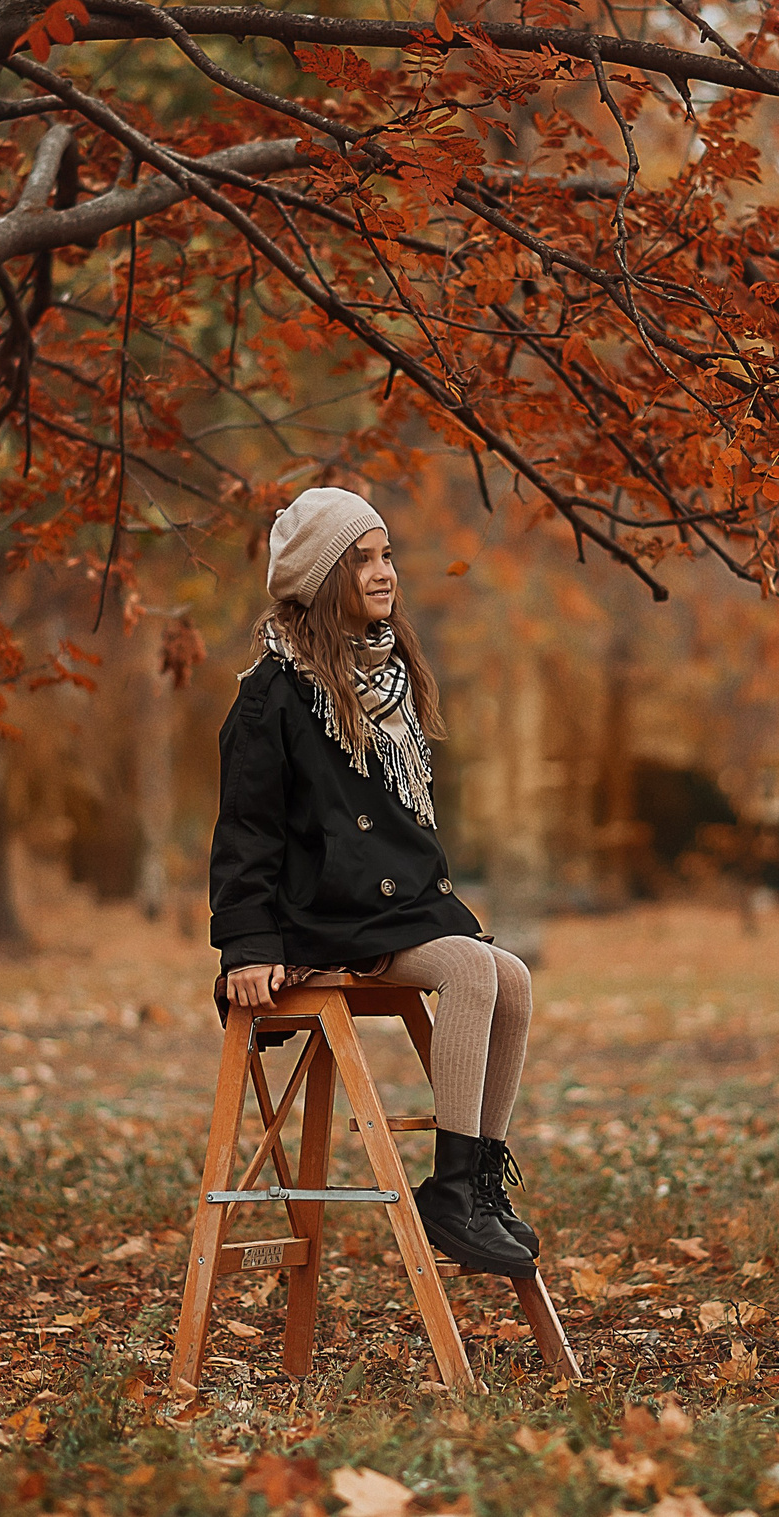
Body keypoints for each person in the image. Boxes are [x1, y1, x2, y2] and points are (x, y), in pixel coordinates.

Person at [208, 488, 539, 1277]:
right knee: (466, 969)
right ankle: (448, 1194)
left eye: (386, 554)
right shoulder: (273, 695)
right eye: (362, 559)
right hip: (321, 913)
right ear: (323, 578)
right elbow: (246, 831)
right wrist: (247, 945)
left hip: (389, 903)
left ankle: (479, 1180)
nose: (384, 571)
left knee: (513, 978)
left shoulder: (387, 675)